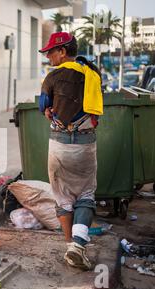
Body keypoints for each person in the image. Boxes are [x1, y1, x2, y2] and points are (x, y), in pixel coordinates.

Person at [38, 32, 103, 271]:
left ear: (63, 51)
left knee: (63, 197)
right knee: (85, 194)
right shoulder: (92, 73)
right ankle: (77, 245)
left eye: (51, 52)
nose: (48, 57)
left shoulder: (53, 76)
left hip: (59, 145)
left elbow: (43, 106)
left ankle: (70, 246)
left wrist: (50, 109)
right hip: (86, 144)